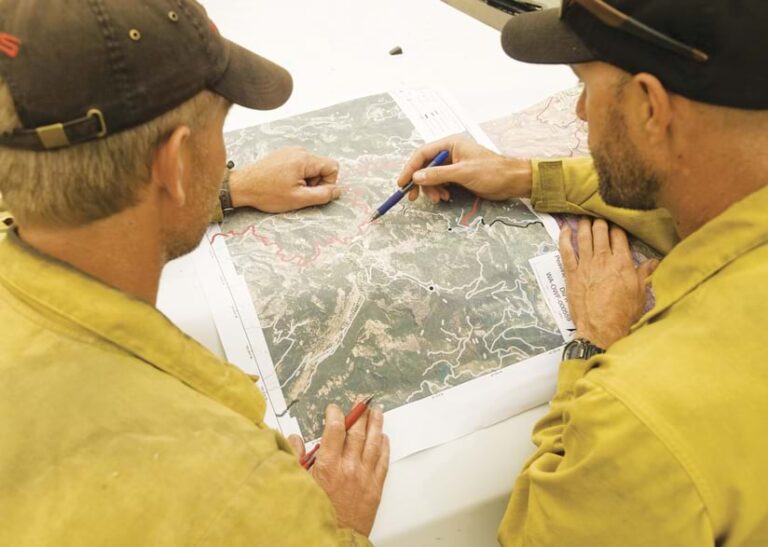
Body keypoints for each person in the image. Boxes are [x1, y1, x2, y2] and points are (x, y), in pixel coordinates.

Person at [0, 1, 388, 545]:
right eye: (221, 127)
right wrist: (334, 525)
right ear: (175, 163)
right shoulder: (238, 498)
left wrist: (230, 189)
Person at [398, 0, 768, 544]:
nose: (579, 113)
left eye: (585, 86)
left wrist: (593, 349)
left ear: (650, 106)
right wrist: (525, 175)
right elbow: (702, 187)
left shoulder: (639, 419)